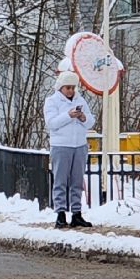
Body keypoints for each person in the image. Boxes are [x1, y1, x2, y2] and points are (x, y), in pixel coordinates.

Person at [44, 70, 95, 229]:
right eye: (68, 88)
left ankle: (76, 213)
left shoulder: (80, 100)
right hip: (60, 145)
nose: (71, 91)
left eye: (73, 87)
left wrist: (82, 117)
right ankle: (60, 213)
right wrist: (69, 115)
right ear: (61, 87)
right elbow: (52, 123)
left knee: (77, 181)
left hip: (79, 145)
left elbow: (90, 122)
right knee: (60, 180)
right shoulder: (52, 101)